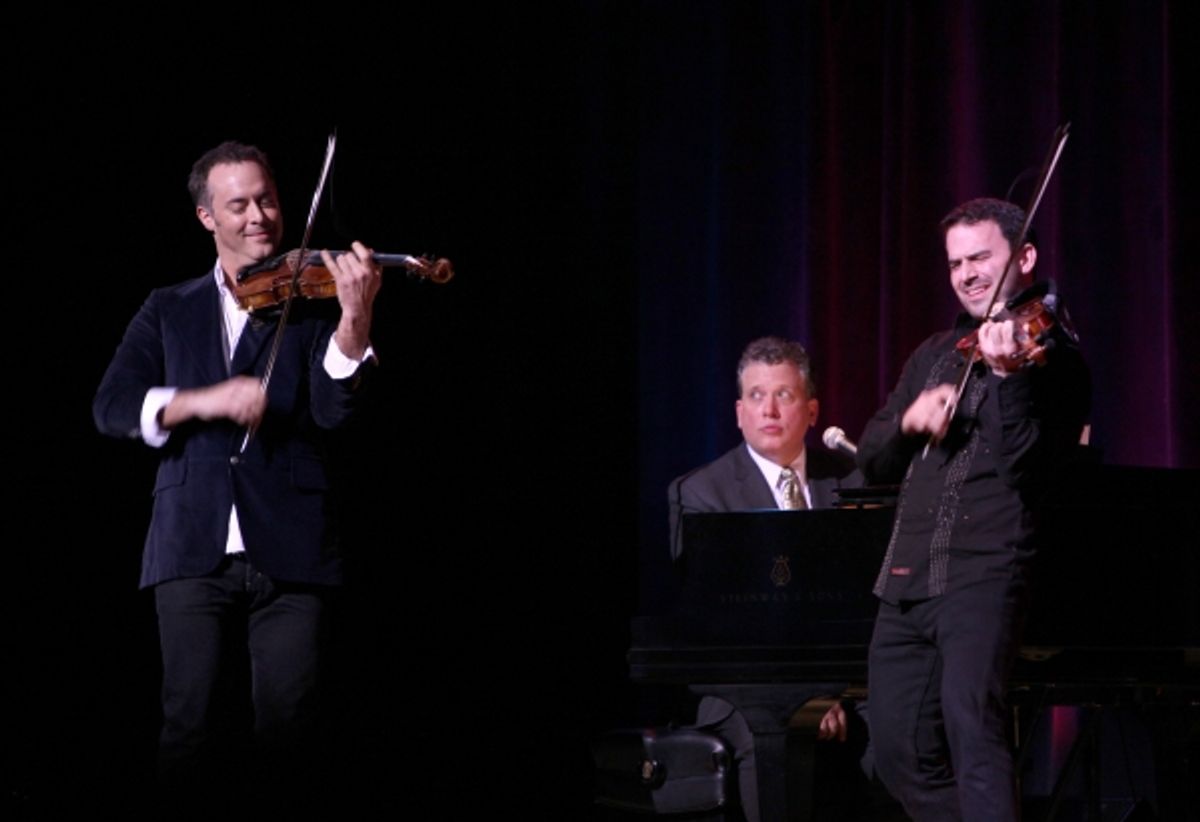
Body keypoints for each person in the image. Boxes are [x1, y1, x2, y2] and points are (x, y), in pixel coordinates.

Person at [92, 141, 381, 814]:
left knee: (291, 733)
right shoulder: (168, 306)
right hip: (189, 544)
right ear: (206, 218)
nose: (261, 217)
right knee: (188, 730)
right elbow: (109, 407)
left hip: (293, 543)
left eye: (269, 199)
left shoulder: (310, 301)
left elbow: (337, 412)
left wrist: (355, 316)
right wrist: (203, 400)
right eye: (240, 204)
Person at [857, 198, 1090, 820]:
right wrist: (908, 424)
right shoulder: (936, 352)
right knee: (894, 752)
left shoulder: (1055, 359)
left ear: (1025, 258)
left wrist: (1011, 381)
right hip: (906, 578)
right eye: (956, 262)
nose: (966, 274)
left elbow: (1027, 469)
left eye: (980, 257)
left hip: (986, 574)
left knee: (974, 736)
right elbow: (872, 461)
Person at [668, 336, 862, 822]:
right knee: (773, 737)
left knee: (912, 728)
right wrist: (803, 696)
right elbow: (723, 622)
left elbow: (865, 603)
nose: (769, 410)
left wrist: (830, 693)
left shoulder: (852, 481)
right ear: (738, 412)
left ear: (812, 410)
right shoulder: (702, 493)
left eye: (785, 395)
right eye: (756, 396)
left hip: (848, 688)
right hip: (745, 688)